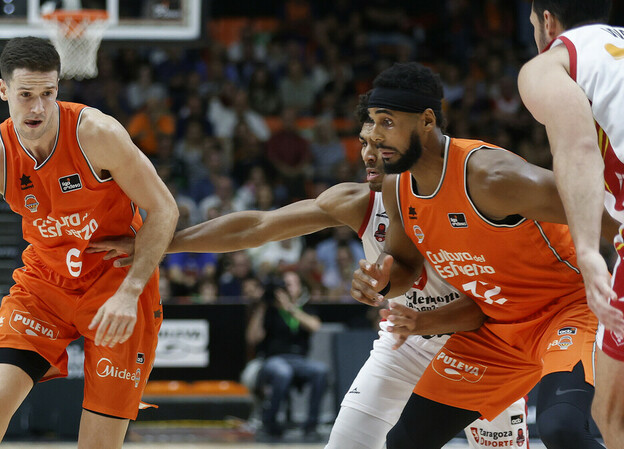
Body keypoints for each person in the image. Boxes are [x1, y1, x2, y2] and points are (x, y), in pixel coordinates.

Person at [88, 94, 528, 449]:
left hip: (482, 345)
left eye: (381, 145)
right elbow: (257, 225)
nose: (369, 155)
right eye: (363, 143)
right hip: (406, 344)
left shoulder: (467, 198)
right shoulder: (360, 201)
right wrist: (160, 242)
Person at [0, 37, 178, 449]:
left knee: (98, 446)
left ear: (58, 88)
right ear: (4, 91)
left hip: (115, 285)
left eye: (47, 94)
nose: (37, 107)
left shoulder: (98, 134)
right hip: (45, 286)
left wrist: (130, 292)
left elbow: (164, 210)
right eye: (26, 95)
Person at [350, 62, 619, 449]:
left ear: (427, 121)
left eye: (387, 122)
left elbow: (608, 217)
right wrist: (381, 280)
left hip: (566, 311)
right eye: (373, 122)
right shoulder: (397, 187)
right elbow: (404, 264)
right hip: (494, 329)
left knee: (562, 430)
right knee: (405, 441)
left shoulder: (492, 176)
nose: (375, 135)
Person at [517, 1, 624, 446]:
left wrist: (586, 251)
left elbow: (577, 146)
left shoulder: (550, 63)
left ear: (546, 21)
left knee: (612, 413)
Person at [251, 270, 328, 441]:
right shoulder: (270, 309)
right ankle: (269, 423)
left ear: (300, 287)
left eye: (292, 283)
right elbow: (252, 338)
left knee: (321, 370)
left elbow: (315, 326)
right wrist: (262, 306)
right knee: (282, 372)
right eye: (285, 284)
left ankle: (311, 426)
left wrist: (290, 308)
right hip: (273, 360)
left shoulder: (305, 307)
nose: (288, 287)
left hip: (300, 360)